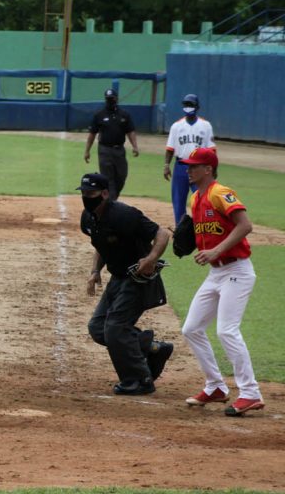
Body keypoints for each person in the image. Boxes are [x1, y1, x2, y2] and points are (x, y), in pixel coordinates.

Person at [179, 148, 264, 416]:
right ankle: (216, 386)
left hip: (237, 271)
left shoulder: (220, 193)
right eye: (188, 166)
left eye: (194, 166)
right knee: (191, 328)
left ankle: (250, 393)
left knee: (226, 331)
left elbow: (245, 225)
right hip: (215, 274)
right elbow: (198, 230)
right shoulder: (195, 197)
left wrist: (217, 250)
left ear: (208, 169)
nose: (188, 170)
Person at [79, 172, 175, 396]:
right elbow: (101, 244)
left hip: (137, 279)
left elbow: (161, 233)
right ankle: (154, 349)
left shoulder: (124, 214)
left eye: (90, 193)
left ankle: (139, 380)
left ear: (104, 194)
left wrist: (150, 258)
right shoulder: (89, 217)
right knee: (98, 328)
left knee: (115, 329)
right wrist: (95, 271)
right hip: (117, 278)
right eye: (83, 193)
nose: (86, 197)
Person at [164, 94, 214, 225]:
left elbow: (211, 150)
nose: (188, 107)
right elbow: (170, 148)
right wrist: (166, 165)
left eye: (190, 105)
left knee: (202, 197)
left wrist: (213, 168)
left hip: (199, 167)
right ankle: (181, 230)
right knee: (178, 200)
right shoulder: (176, 126)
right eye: (186, 105)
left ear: (197, 107)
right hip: (180, 165)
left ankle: (204, 224)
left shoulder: (206, 125)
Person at [84, 89, 140, 200]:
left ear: (116, 98)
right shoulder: (99, 115)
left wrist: (135, 146)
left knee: (121, 176)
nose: (110, 101)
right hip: (104, 150)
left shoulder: (124, 115)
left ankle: (112, 198)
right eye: (108, 99)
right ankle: (111, 203)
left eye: (112, 98)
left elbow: (130, 131)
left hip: (119, 150)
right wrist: (87, 151)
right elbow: (92, 134)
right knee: (108, 178)